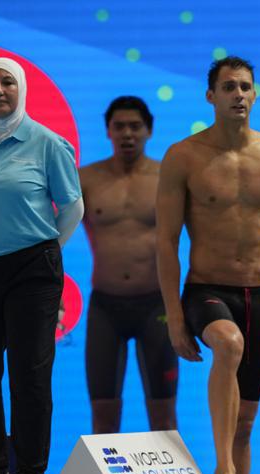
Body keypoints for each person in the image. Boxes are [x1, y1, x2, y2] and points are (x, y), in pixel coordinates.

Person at [157, 56, 260, 474]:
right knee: (229, 343)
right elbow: (166, 242)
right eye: (228, 87)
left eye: (245, 87)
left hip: (256, 296)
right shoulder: (184, 156)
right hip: (206, 291)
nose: (238, 94)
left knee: (245, 425)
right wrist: (175, 319)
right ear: (210, 96)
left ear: (255, 94)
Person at [0, 58, 83, 474]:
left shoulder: (48, 143)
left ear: (21, 88)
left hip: (32, 270)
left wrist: (44, 249)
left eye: (7, 81)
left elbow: (72, 208)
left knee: (29, 374)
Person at [80, 96, 178, 434]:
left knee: (164, 416)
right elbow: (51, 236)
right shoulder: (85, 180)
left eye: (135, 126)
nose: (127, 134)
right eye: (119, 126)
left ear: (149, 131)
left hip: (157, 306)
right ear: (107, 131)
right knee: (103, 418)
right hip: (105, 307)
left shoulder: (168, 177)